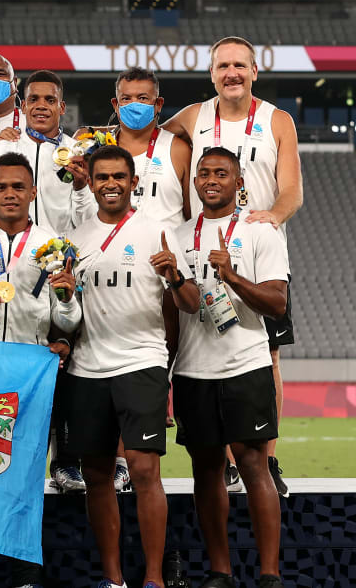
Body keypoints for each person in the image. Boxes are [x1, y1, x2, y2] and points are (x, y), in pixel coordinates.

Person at [163, 36, 303, 496]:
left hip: (258, 255)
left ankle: (269, 457)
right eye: (223, 65)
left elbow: (292, 192)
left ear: (254, 71)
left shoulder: (276, 120)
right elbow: (147, 141)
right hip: (200, 251)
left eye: (240, 65)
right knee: (203, 345)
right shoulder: (192, 117)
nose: (232, 73)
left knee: (269, 356)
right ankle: (223, 463)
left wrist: (268, 219)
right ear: (212, 73)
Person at [67, 145, 199, 588]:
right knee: (97, 475)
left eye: (118, 177)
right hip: (86, 367)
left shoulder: (159, 232)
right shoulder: (76, 236)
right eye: (101, 176)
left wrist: (175, 277)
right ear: (90, 178)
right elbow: (67, 306)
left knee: (144, 470)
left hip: (141, 361)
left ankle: (155, 579)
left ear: (133, 182)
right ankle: (114, 579)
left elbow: (190, 304)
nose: (110, 184)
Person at [0, 152, 81, 588]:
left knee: (25, 482)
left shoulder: (53, 245)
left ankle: (28, 575)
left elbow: (66, 323)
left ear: (32, 192)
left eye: (18, 187)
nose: (10, 194)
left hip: (31, 376)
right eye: (2, 187)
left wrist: (65, 300)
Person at [169, 147, 286, 588]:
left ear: (239, 182)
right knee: (205, 470)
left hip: (246, 364)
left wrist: (234, 278)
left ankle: (270, 573)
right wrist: (177, 281)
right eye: (204, 173)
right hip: (194, 369)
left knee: (255, 466)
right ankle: (221, 571)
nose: (211, 179)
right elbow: (180, 306)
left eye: (222, 173)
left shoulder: (261, 232)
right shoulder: (177, 236)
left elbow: (278, 303)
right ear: (195, 182)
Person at [0, 70, 92, 235]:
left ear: (62, 107)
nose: (41, 106)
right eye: (33, 99)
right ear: (23, 106)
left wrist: (81, 188)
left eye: (50, 100)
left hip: (59, 255)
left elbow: (87, 223)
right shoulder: (0, 149)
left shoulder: (78, 153)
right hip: (9, 254)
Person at [109, 67, 191, 229]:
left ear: (158, 104)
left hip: (167, 250)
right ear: (116, 105)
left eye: (142, 98)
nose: (134, 105)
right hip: (111, 249)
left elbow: (192, 213)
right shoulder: (98, 148)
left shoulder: (178, 150)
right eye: (126, 98)